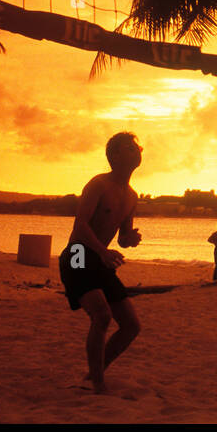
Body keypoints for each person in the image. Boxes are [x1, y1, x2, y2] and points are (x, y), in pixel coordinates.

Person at [58, 132, 144, 394]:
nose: (137, 151)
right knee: (102, 316)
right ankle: (98, 383)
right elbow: (81, 225)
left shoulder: (132, 196)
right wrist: (102, 252)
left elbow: (122, 240)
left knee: (131, 326)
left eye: (137, 148)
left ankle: (94, 373)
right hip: (78, 254)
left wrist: (130, 238)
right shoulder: (98, 185)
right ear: (114, 155)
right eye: (129, 148)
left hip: (100, 259)